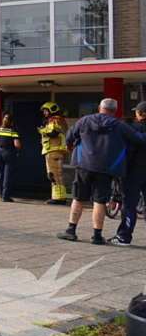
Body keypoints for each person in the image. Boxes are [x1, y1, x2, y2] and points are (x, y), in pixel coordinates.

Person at [57, 98, 146, 245]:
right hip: (107, 168)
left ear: (99, 107)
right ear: (115, 111)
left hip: (84, 164)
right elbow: (138, 138)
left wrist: (69, 147)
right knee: (100, 201)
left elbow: (69, 136)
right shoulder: (120, 125)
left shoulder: (84, 121)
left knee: (78, 197)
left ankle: (71, 230)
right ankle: (97, 236)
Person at [112, 101, 146, 245]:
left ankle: (124, 236)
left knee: (129, 204)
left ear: (139, 113)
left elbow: (128, 151)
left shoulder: (133, 129)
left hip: (134, 171)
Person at [39, 102, 70, 205]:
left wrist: (41, 131)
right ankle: (57, 196)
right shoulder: (59, 120)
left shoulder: (54, 120)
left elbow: (53, 133)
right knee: (54, 174)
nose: (44, 113)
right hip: (54, 150)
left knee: (55, 174)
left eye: (46, 111)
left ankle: (59, 198)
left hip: (54, 150)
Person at [0, 114, 20, 202]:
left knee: (0, 174)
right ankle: (5, 196)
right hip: (9, 153)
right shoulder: (13, 131)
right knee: (7, 175)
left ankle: (0, 194)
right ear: (12, 122)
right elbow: (17, 144)